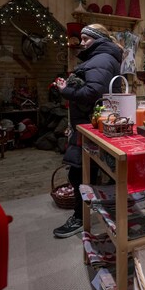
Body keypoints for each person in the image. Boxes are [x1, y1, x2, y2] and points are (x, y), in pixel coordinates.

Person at [53, 24, 122, 238]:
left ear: (98, 38)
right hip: (91, 124)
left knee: (80, 173)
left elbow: (93, 92)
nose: (82, 43)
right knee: (88, 171)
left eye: (86, 38)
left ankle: (80, 217)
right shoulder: (99, 57)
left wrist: (66, 90)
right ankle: (90, 213)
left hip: (91, 126)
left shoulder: (100, 59)